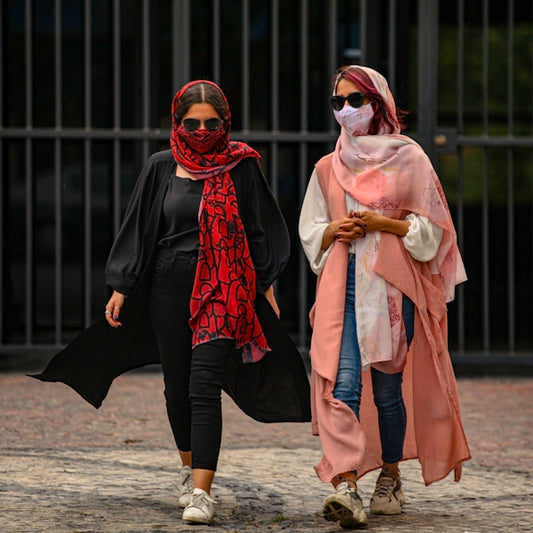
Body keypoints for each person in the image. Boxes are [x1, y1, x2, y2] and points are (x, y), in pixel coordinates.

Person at [31, 79, 311, 525]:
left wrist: (268, 292)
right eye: (192, 123)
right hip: (167, 287)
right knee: (176, 387)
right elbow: (140, 227)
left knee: (204, 386)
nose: (202, 131)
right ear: (177, 122)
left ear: (226, 122)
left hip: (225, 289)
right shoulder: (162, 166)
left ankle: (202, 492)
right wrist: (122, 286)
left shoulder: (242, 167)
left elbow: (260, 233)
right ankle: (187, 469)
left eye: (212, 123)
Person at [299, 65, 470, 529]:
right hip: (344, 286)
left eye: (357, 100)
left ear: (379, 102)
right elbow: (312, 230)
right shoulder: (328, 166)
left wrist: (382, 223)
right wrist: (338, 229)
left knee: (389, 390)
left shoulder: (410, 158)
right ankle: (347, 485)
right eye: (339, 102)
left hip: (394, 290)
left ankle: (390, 476)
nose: (347, 110)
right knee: (343, 383)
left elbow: (432, 232)